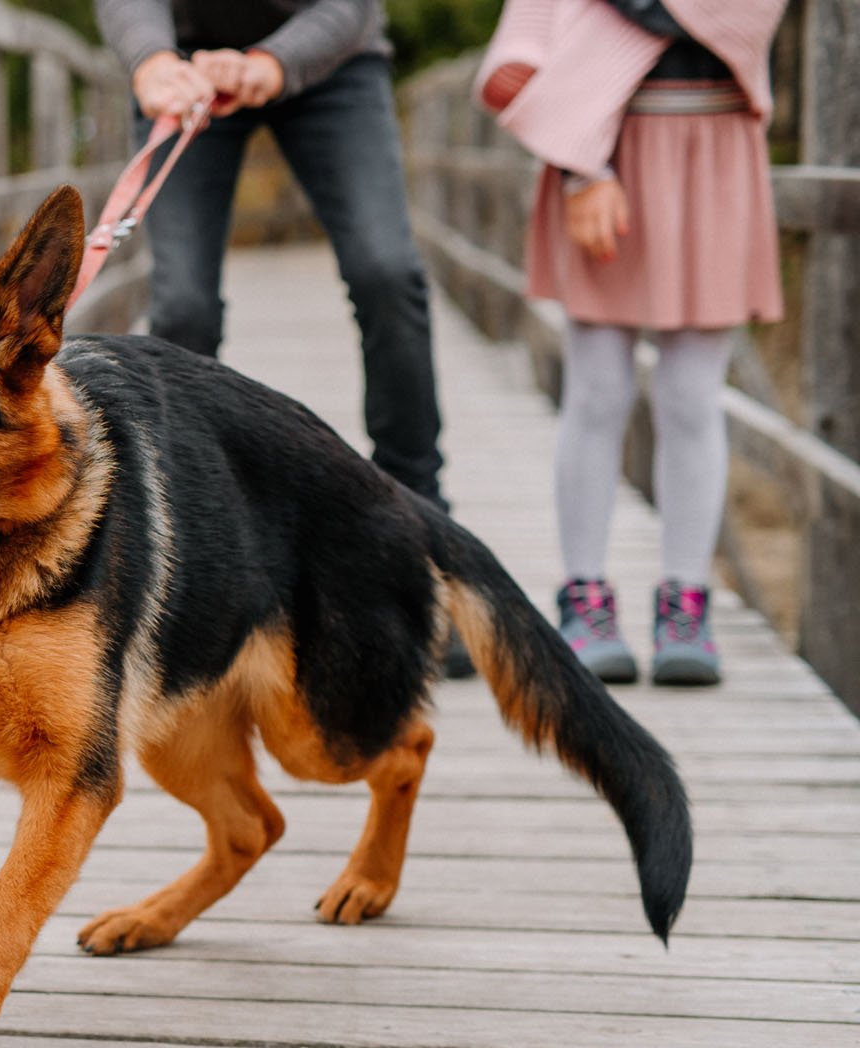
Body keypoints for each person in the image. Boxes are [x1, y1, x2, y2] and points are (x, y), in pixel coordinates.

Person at [93, 0, 470, 676]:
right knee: (182, 310)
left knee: (388, 272)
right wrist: (149, 59)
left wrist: (274, 63)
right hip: (186, 71)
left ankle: (424, 542)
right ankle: (182, 552)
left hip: (332, 67)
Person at [477, 0, 786, 686]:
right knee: (597, 388)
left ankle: (686, 602)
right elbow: (517, 59)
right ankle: (584, 598)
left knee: (690, 396)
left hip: (716, 143)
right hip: (604, 150)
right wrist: (582, 168)